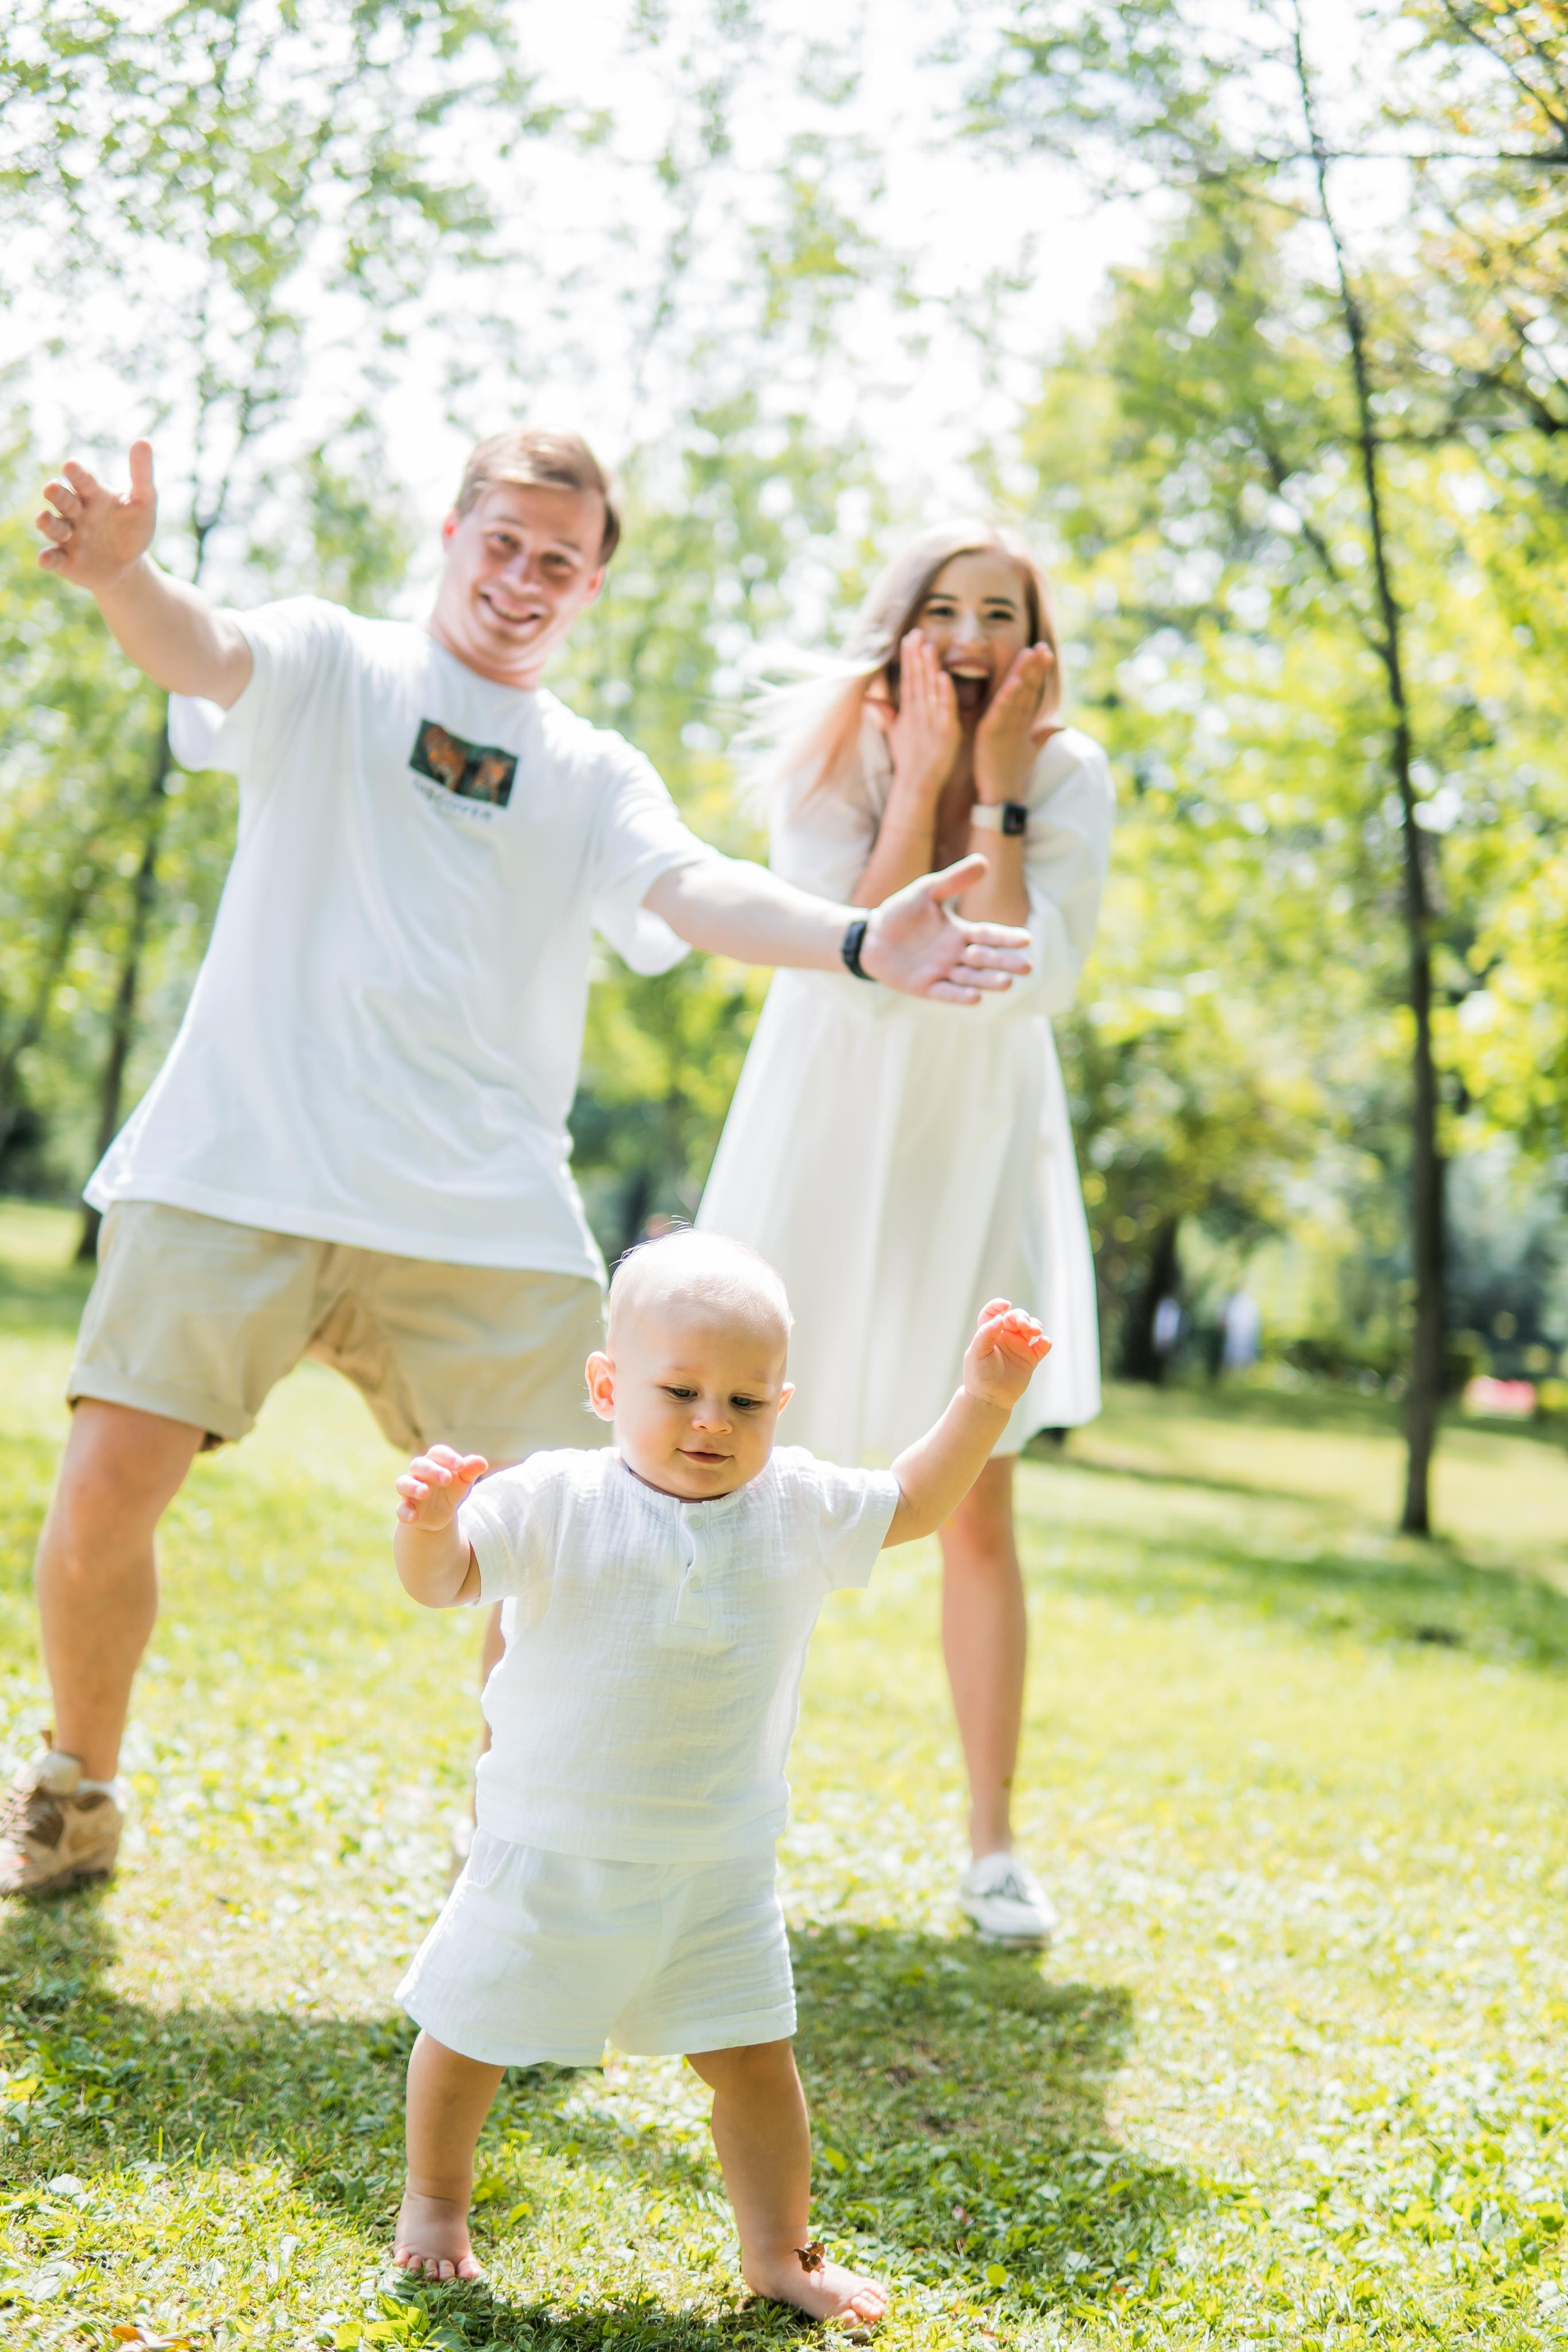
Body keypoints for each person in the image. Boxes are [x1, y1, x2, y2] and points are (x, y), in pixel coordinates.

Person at [2, 437, 1033, 1901]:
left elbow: (694, 888)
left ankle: (514, 1845)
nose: (522, 578)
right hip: (238, 1160)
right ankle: (76, 1792)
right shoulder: (327, 664)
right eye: (502, 542)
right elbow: (200, 648)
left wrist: (855, 937)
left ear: (591, 585)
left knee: (576, 1538)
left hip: (476, 1208)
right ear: (452, 532)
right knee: (105, 1491)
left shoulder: (592, 773)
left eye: (558, 560)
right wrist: (124, 577)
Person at [387, 1230, 1052, 2310]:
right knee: (468, 2034)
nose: (712, 1421)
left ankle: (779, 2252)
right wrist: (428, 1524)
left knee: (756, 2063)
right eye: (681, 1390)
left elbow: (918, 1503)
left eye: (745, 1403)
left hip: (717, 1864)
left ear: (781, 1405)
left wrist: (983, 1400)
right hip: (550, 1844)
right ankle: (436, 2201)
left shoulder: (795, 1505)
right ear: (608, 1386)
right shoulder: (554, 1497)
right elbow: (446, 1579)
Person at [698, 521, 1113, 1945]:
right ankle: (700, 1807)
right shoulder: (835, 752)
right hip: (826, 1113)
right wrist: (923, 778)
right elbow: (860, 948)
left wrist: (991, 799)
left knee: (974, 1492)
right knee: (734, 1455)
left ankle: (992, 1846)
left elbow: (1005, 974)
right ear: (903, 624)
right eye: (944, 605)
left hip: (969, 1135)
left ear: (1032, 642)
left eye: (999, 610)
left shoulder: (1066, 779)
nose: (969, 631)